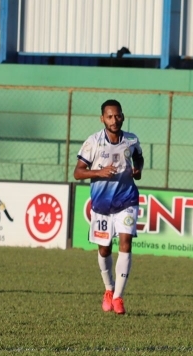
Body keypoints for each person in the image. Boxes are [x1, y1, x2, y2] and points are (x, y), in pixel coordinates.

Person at [73, 99, 144, 315]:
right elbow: (78, 172)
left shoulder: (131, 140)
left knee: (126, 242)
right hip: (102, 205)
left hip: (126, 201)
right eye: (110, 116)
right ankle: (109, 289)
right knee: (104, 249)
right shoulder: (93, 142)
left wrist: (138, 169)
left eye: (118, 115)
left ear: (122, 116)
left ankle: (119, 298)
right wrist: (98, 173)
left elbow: (139, 158)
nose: (114, 120)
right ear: (102, 118)